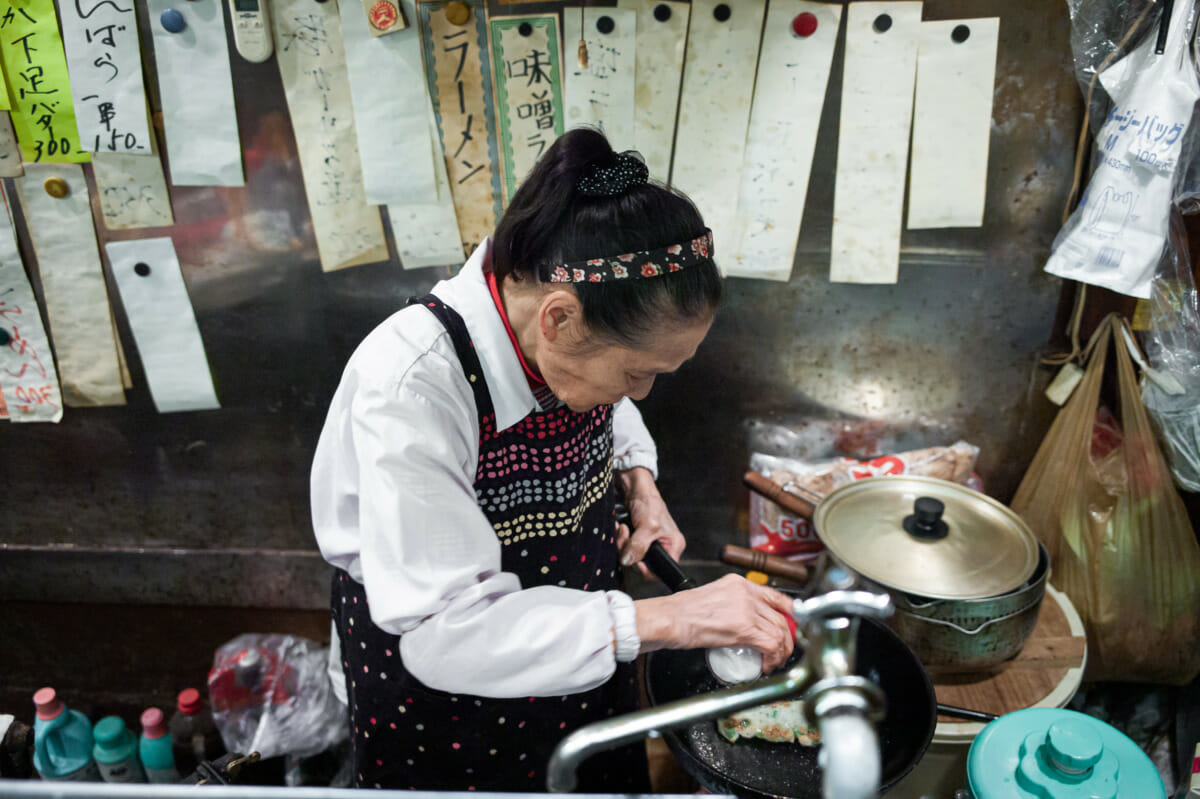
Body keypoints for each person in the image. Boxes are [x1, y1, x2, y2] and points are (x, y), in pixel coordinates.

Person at [311, 128, 795, 791]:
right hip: (451, 688)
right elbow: (447, 632)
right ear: (559, 320)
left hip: (580, 636)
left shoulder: (546, 313)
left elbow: (608, 401)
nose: (642, 391)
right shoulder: (411, 389)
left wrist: (637, 476)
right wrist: (676, 618)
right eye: (639, 371)